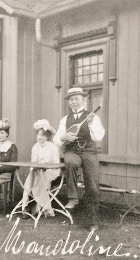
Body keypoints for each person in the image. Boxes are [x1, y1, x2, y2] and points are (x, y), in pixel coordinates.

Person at [53, 87, 105, 231]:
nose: (74, 102)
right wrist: (63, 137)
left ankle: (93, 221)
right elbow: (56, 139)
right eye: (71, 99)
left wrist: (89, 123)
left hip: (89, 152)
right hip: (72, 151)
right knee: (70, 161)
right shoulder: (65, 120)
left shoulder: (92, 117)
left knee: (93, 186)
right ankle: (73, 197)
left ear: (84, 100)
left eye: (77, 99)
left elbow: (98, 137)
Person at [21, 119, 60, 219]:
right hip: (38, 171)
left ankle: (40, 208)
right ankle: (25, 206)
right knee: (29, 180)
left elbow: (56, 163)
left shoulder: (53, 147)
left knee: (41, 178)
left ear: (47, 136)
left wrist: (45, 165)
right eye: (38, 135)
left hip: (52, 171)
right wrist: (35, 168)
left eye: (42, 135)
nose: (39, 137)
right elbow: (33, 162)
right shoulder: (35, 147)